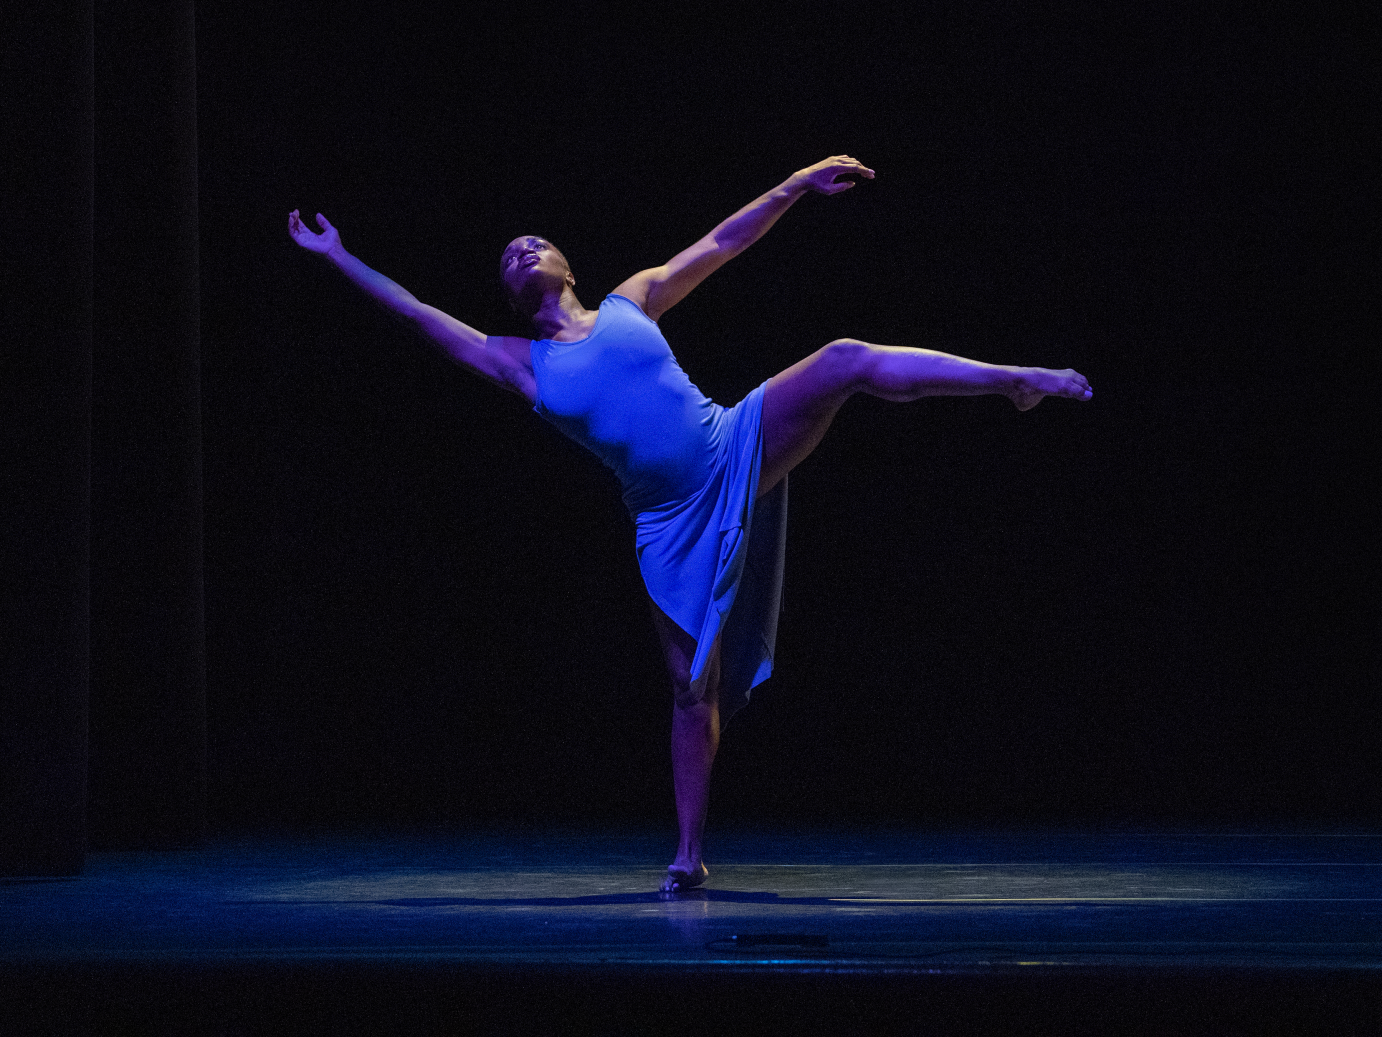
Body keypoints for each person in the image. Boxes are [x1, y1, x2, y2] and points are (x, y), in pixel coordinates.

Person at [288, 155, 1092, 892]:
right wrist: (338, 259)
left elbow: (719, 244)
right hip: (668, 522)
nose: (524, 249)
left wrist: (797, 183)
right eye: (510, 254)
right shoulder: (520, 362)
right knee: (686, 685)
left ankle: (1015, 379)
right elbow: (422, 316)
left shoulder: (631, 300)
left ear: (570, 266)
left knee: (844, 357)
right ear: (510, 293)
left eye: (537, 242)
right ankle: (688, 853)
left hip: (730, 443)